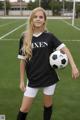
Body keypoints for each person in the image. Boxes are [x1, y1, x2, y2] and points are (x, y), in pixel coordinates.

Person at [17, 7, 79, 120]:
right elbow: (22, 60)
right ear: (31, 19)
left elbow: (66, 50)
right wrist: (21, 80)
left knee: (47, 105)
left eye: (41, 17)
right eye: (35, 17)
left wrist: (73, 66)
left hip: (49, 78)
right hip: (33, 78)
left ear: (44, 20)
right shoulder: (24, 37)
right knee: (24, 109)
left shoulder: (49, 36)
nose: (38, 19)